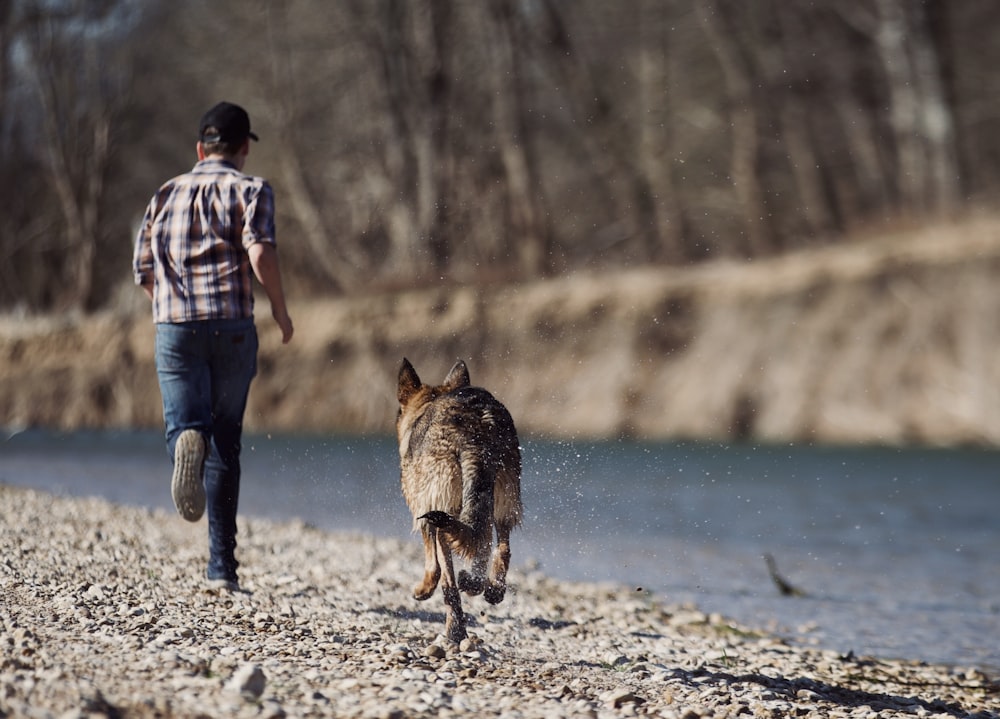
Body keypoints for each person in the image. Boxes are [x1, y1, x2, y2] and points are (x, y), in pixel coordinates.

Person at [133, 101, 294, 592]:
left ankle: (186, 439)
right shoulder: (252, 189)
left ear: (200, 149)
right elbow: (260, 251)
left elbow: (143, 269)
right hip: (233, 327)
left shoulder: (165, 193)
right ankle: (221, 569)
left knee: (187, 424)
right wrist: (280, 310)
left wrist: (170, 311)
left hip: (177, 325)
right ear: (244, 148)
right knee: (226, 441)